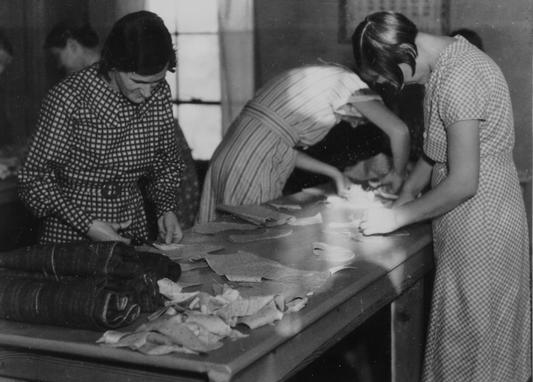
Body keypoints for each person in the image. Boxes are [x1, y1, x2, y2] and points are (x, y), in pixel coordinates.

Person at [352, 11, 530, 382]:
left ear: (402, 55)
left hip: (482, 216)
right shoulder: (445, 62)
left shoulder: (461, 78)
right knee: (466, 336)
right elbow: (435, 157)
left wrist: (396, 217)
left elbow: (464, 182)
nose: (390, 88)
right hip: (468, 217)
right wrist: (401, 199)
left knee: (476, 342)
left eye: (386, 78)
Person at [19, 11, 185, 245]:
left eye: (156, 82)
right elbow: (33, 179)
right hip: (70, 237)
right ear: (114, 65)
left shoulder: (158, 94)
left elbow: (165, 161)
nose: (147, 93)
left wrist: (166, 209)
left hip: (133, 230)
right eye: (137, 82)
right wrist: (86, 224)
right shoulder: (68, 98)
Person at [198, 63, 410, 222]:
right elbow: (399, 131)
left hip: (230, 157)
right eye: (363, 119)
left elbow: (285, 150)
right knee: (252, 245)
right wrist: (398, 175)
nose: (355, 126)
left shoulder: (324, 79)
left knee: (221, 238)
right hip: (250, 165)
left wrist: (334, 174)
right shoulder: (348, 84)